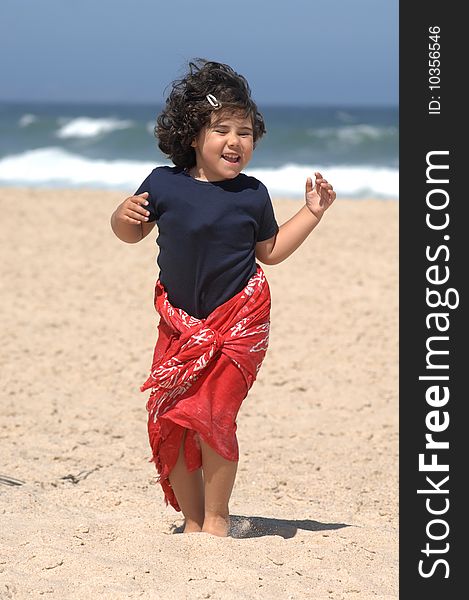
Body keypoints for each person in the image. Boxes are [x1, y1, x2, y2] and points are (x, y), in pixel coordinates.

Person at [110, 59, 335, 537]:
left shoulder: (253, 195)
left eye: (246, 132)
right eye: (221, 130)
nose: (235, 141)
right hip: (180, 327)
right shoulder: (163, 182)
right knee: (173, 419)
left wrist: (312, 213)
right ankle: (192, 521)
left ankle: (216, 519)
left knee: (214, 417)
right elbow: (131, 234)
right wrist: (122, 216)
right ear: (193, 136)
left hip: (238, 326)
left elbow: (269, 253)